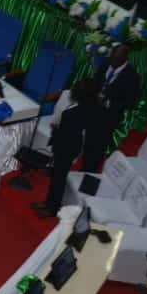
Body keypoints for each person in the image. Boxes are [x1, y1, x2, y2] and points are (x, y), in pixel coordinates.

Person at [32, 78, 100, 218]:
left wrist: (56, 130)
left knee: (58, 178)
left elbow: (66, 133)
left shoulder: (75, 113)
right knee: (56, 176)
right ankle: (48, 202)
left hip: (66, 148)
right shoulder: (85, 107)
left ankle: (52, 208)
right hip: (67, 146)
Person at [82, 44, 140, 172]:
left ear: (125, 59)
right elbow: (96, 82)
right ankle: (84, 168)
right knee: (88, 143)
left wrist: (109, 103)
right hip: (94, 111)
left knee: (98, 148)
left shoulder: (132, 77)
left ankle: (90, 173)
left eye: (116, 60)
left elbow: (131, 102)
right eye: (112, 58)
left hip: (109, 119)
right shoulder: (106, 64)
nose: (112, 62)